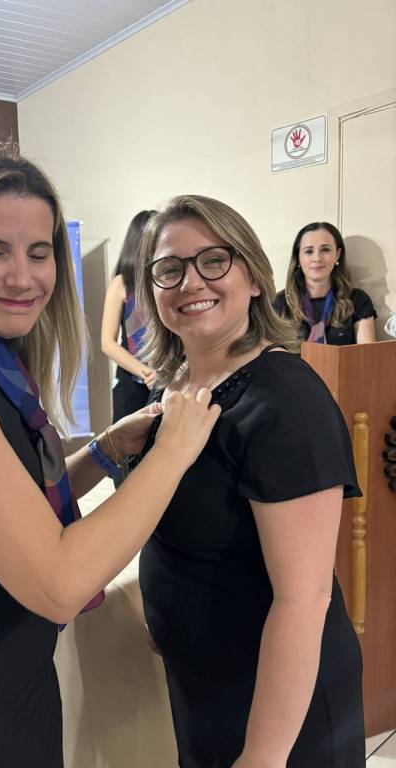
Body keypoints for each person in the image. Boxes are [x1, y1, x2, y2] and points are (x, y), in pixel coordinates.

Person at [0, 144, 221, 768]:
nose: (23, 278)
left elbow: (16, 507)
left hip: (14, 683)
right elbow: (59, 584)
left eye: (38, 252)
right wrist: (173, 453)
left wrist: (105, 451)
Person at [134, 195, 366, 767]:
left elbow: (303, 599)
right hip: (204, 680)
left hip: (276, 704)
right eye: (169, 268)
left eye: (214, 260)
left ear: (255, 278)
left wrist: (262, 757)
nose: (191, 281)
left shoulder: (285, 400)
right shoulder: (174, 384)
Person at [101, 210, 157, 485]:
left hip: (170, 378)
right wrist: (145, 372)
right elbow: (107, 342)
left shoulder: (169, 279)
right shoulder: (122, 283)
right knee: (126, 457)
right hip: (132, 382)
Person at [273, 221, 376, 344]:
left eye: (325, 250)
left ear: (337, 255)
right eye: (309, 251)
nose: (317, 258)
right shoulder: (279, 303)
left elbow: (367, 354)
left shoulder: (357, 300)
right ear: (298, 257)